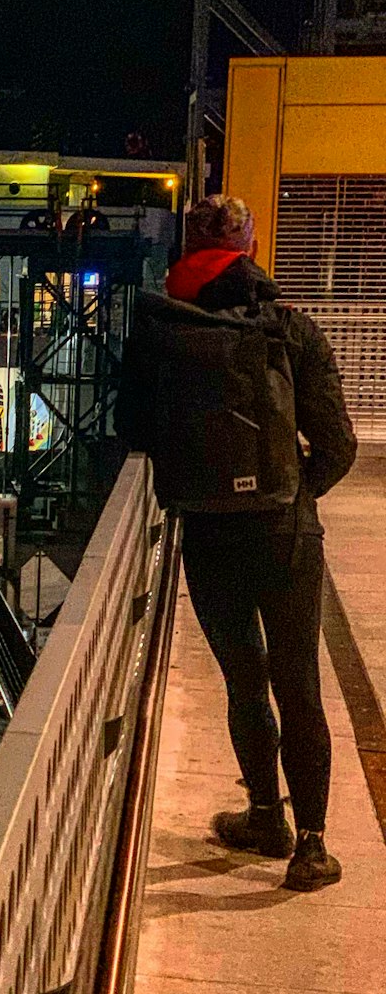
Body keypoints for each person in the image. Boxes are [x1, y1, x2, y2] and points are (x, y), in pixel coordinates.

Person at [116, 195, 357, 892]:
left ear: (188, 247)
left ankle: (263, 813)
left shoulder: (159, 330)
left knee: (245, 681)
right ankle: (310, 847)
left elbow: (132, 430)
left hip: (208, 532)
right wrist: (291, 490)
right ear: (250, 242)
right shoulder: (290, 329)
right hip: (285, 533)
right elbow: (338, 445)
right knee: (299, 682)